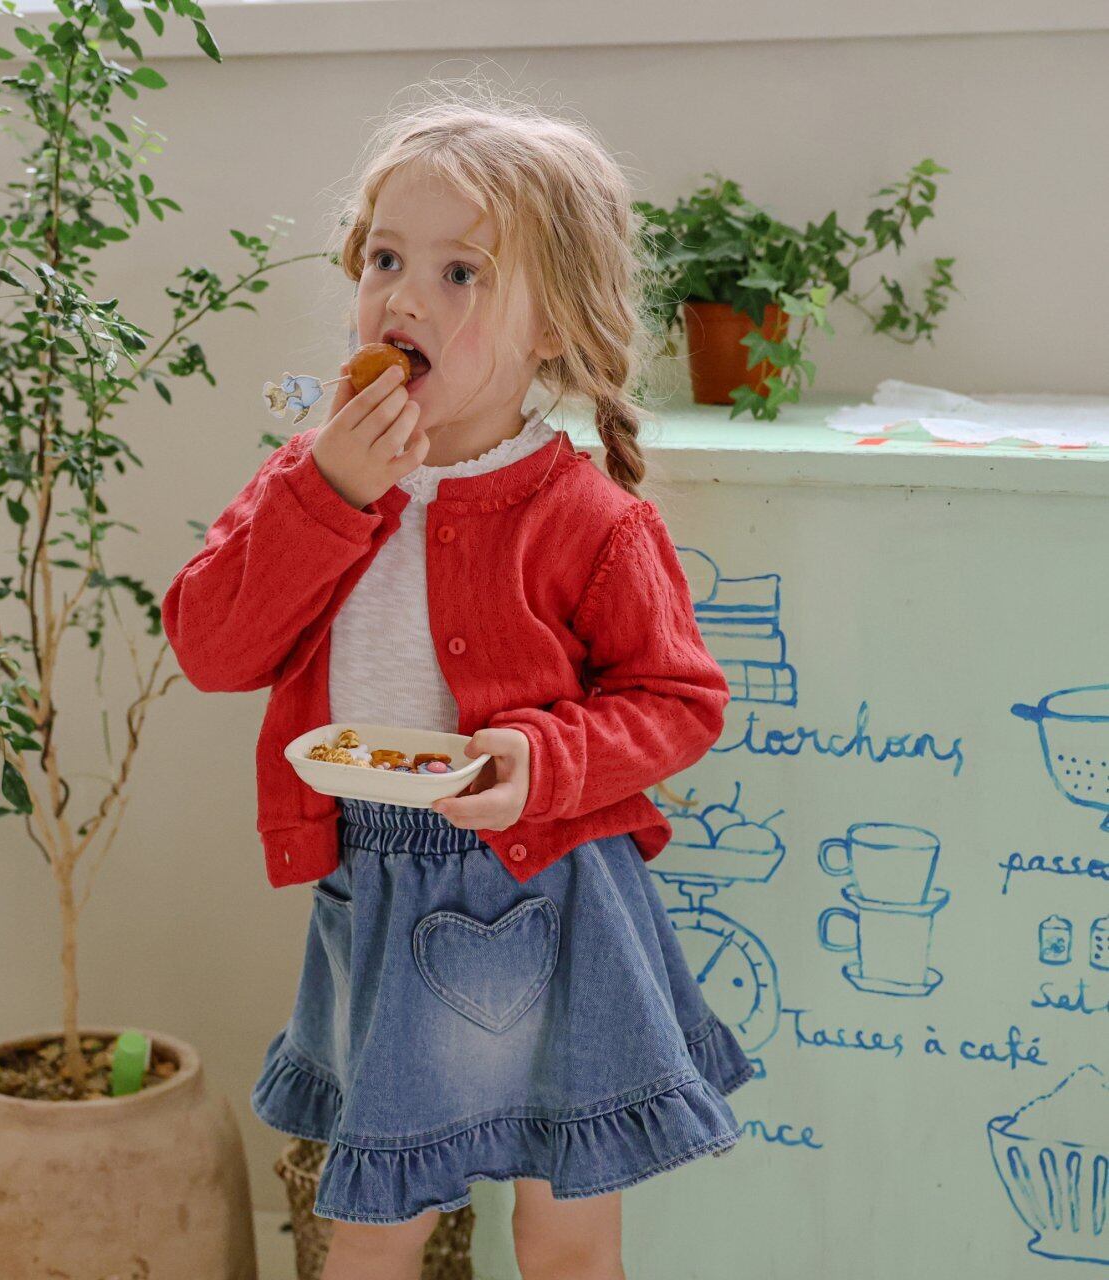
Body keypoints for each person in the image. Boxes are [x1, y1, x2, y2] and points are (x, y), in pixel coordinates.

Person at [161, 89, 754, 1280]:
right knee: (370, 1224)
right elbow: (211, 646)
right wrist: (327, 491)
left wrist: (544, 758)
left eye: (459, 272)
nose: (401, 298)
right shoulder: (314, 476)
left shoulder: (585, 515)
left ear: (552, 328)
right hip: (375, 884)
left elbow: (679, 699)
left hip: (557, 892)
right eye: (384, 259)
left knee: (567, 1232)